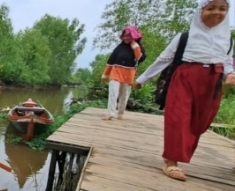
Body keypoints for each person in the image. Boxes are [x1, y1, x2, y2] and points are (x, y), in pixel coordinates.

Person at [134, 0, 235, 181]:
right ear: (200, 11)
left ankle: (175, 154)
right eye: (210, 8)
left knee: (200, 123)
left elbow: (227, 61)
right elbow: (163, 59)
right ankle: (172, 161)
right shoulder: (185, 38)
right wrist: (142, 79)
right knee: (178, 118)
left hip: (211, 83)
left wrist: (230, 74)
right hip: (185, 78)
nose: (216, 13)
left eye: (222, 9)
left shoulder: (227, 39)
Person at [101, 25, 145, 121]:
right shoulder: (119, 48)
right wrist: (105, 74)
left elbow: (140, 59)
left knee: (124, 95)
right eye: (124, 35)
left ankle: (120, 113)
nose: (126, 38)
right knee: (113, 92)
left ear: (133, 36)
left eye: (128, 36)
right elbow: (111, 61)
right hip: (116, 72)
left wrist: (135, 46)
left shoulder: (137, 47)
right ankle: (110, 113)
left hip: (128, 73)